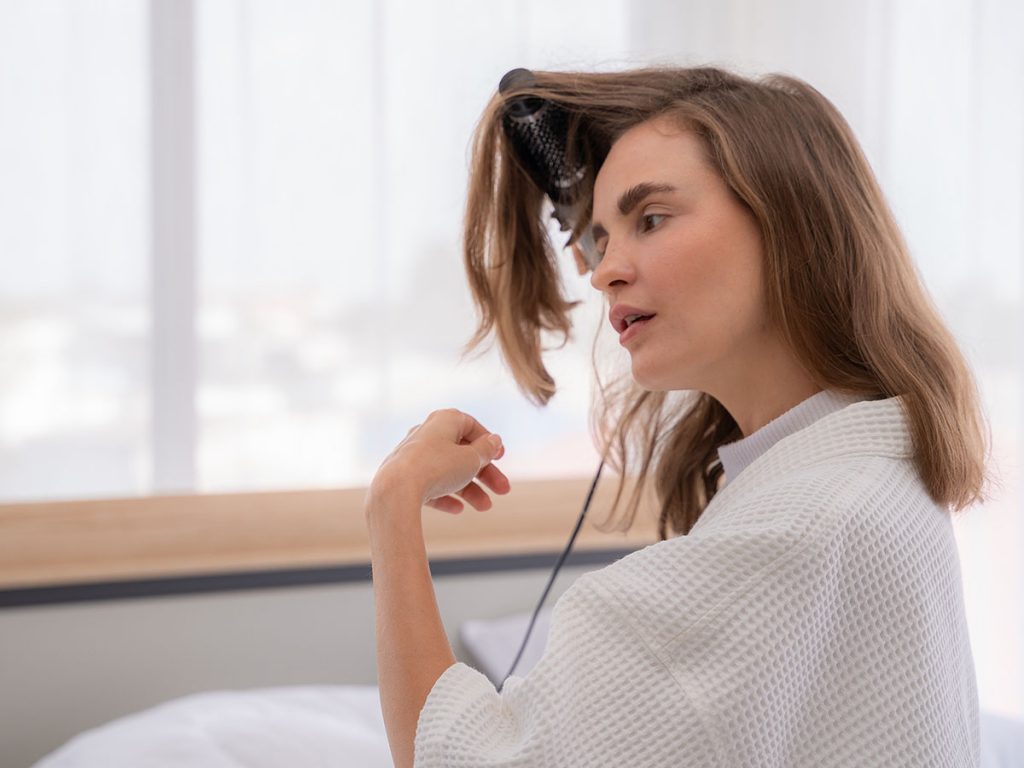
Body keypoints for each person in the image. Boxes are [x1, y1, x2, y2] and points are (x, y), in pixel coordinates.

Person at [364, 65, 997, 767]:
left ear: (790, 222)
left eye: (652, 219)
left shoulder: (789, 538)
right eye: (601, 239)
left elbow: (458, 759)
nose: (604, 271)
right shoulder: (873, 481)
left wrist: (393, 502)